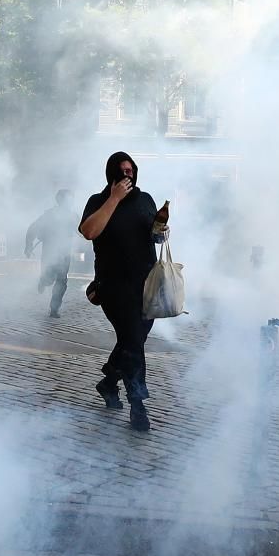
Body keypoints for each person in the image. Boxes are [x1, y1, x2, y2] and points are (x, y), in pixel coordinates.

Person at [78, 152, 168, 432]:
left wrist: (162, 230)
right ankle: (137, 405)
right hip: (114, 287)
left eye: (131, 170)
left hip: (147, 286)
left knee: (132, 340)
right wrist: (113, 199)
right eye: (122, 171)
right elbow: (89, 231)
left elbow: (154, 233)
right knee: (132, 342)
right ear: (112, 175)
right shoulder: (98, 201)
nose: (128, 175)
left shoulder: (145, 200)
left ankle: (108, 384)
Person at [25, 189, 76, 318]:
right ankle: (43, 281)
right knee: (49, 279)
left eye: (71, 199)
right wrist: (28, 245)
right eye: (66, 199)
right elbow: (33, 228)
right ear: (59, 200)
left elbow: (84, 230)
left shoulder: (73, 216)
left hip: (65, 254)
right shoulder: (49, 214)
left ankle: (54, 309)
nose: (69, 202)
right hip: (50, 252)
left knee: (62, 281)